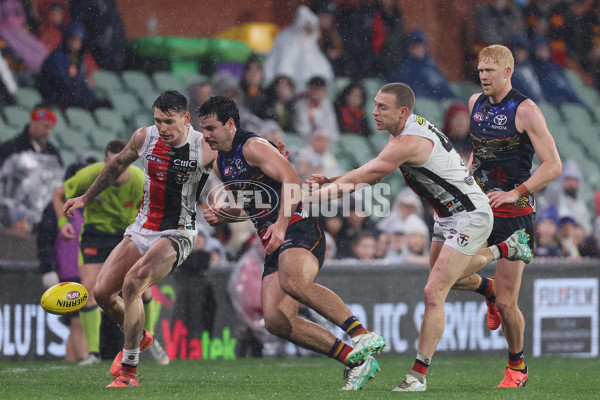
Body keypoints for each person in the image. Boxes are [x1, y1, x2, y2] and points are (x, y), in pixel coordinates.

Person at [306, 82, 534, 392]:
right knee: (444, 280)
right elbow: (372, 166)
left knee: (433, 291)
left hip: (470, 214)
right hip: (446, 215)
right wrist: (333, 179)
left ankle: (418, 375)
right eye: (374, 104)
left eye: (382, 107)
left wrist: (312, 199)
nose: (373, 111)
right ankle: (489, 289)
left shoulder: (408, 140)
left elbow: (369, 177)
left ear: (402, 112)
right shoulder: (401, 132)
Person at [198, 95, 386, 391]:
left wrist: (282, 224)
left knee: (293, 282)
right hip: (275, 240)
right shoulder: (222, 164)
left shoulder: (253, 146)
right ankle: (355, 361)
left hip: (299, 226)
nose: (205, 135)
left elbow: (292, 180)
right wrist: (227, 214)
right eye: (203, 128)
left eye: (210, 128)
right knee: (276, 320)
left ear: (230, 124)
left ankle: (360, 333)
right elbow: (253, 204)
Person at [61, 90, 216, 387]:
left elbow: (231, 173)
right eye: (158, 121)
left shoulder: (204, 147)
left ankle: (129, 372)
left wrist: (228, 203)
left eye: (169, 122)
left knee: (133, 283)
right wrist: (84, 198)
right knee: (102, 293)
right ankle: (140, 335)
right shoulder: (144, 137)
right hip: (142, 228)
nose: (162, 128)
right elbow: (116, 165)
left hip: (178, 232)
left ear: (186, 119)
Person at [452, 44, 562, 388]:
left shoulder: (525, 109)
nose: (483, 76)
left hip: (515, 216)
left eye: (490, 71)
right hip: (480, 210)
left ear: (507, 73)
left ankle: (517, 366)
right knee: (447, 278)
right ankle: (487, 290)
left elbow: (554, 165)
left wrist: (517, 192)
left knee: (508, 303)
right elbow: (478, 152)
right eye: (480, 70)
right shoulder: (474, 103)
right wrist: (467, 178)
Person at [54, 139, 169, 367]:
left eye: (119, 163)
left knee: (140, 288)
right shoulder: (91, 176)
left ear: (127, 163)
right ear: (105, 161)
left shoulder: (139, 181)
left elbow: (157, 211)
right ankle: (93, 354)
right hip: (95, 235)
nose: (113, 167)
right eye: (109, 162)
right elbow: (59, 194)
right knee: (88, 288)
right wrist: (61, 223)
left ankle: (150, 338)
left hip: (127, 236)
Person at [37, 21, 109, 110]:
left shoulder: (77, 59)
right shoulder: (57, 56)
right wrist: (78, 91)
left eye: (79, 40)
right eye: (73, 39)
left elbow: (80, 82)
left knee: (98, 102)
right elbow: (60, 82)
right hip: (54, 95)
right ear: (67, 38)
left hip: (70, 94)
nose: (76, 43)